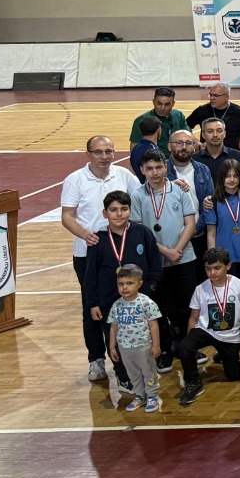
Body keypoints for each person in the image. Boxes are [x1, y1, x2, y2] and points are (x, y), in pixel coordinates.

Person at [62, 137, 143, 382]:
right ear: (88, 154)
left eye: (108, 151)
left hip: (121, 252)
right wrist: (84, 235)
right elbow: (67, 216)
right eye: (98, 152)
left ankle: (129, 358)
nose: (104, 156)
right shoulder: (75, 179)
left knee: (127, 302)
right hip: (88, 253)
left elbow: (143, 196)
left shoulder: (123, 175)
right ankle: (96, 359)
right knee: (93, 306)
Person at [83, 189, 162, 392]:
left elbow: (155, 263)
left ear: (130, 210)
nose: (119, 214)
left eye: (124, 209)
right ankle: (123, 376)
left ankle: (146, 374)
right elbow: (90, 275)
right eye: (113, 210)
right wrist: (93, 303)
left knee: (142, 338)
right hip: (109, 301)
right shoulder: (97, 240)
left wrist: (150, 288)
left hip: (139, 300)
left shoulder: (142, 232)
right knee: (116, 339)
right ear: (105, 213)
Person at [131, 150, 199, 368]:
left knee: (186, 305)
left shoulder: (179, 190)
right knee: (160, 308)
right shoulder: (137, 196)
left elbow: (190, 223)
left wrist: (177, 250)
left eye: (159, 167)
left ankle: (187, 347)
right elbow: (139, 230)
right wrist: (165, 252)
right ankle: (166, 348)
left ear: (165, 167)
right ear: (142, 170)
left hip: (184, 257)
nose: (155, 172)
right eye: (149, 168)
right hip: (155, 263)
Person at [177, 249, 240, 404]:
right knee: (184, 346)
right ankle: (193, 382)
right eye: (208, 269)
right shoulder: (200, 288)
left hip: (229, 336)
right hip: (206, 330)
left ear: (228, 266)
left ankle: (222, 354)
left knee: (234, 376)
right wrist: (190, 343)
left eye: (217, 268)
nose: (212, 273)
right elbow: (193, 318)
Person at [107, 265, 163, 413]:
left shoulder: (146, 302)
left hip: (143, 346)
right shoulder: (117, 305)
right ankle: (139, 395)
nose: (124, 287)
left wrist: (156, 345)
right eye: (121, 284)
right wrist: (112, 347)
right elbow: (113, 327)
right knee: (133, 373)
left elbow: (153, 325)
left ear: (139, 284)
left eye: (130, 283)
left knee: (148, 371)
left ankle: (152, 395)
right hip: (124, 347)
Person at [187, 84, 240, 150]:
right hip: (206, 154)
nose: (211, 98)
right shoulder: (202, 110)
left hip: (231, 156)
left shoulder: (239, 112)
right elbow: (186, 125)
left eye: (216, 95)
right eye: (210, 95)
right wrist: (196, 142)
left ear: (227, 97)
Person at [129, 87, 186, 152]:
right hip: (154, 157)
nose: (162, 108)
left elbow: (187, 138)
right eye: (159, 104)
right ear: (153, 102)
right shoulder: (142, 120)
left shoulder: (179, 116)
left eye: (167, 104)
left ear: (173, 104)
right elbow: (134, 147)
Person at [192, 119, 240, 185]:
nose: (215, 135)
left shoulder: (238, 156)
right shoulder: (194, 159)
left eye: (219, 131)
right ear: (203, 135)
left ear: (224, 134)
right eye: (210, 131)